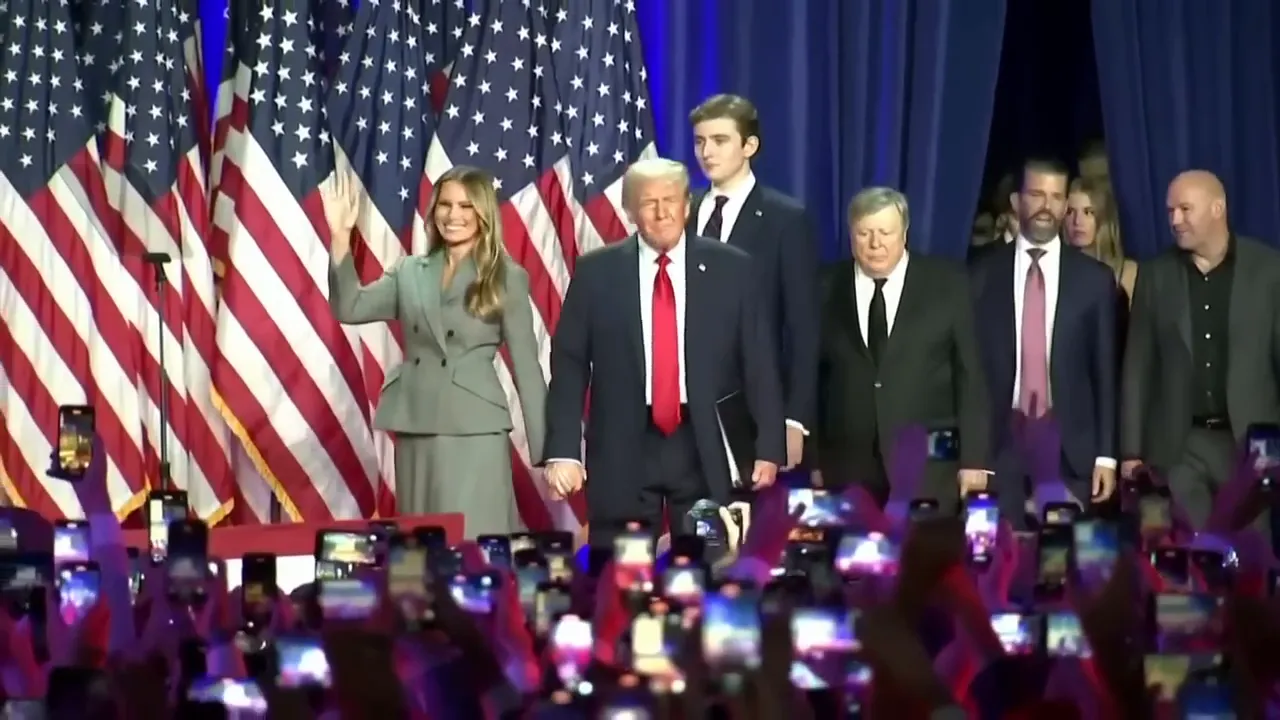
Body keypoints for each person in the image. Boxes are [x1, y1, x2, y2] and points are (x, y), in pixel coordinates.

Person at [543, 158, 784, 548]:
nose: (661, 212)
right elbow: (569, 365)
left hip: (705, 442)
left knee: (709, 569)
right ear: (631, 211)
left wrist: (769, 446)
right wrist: (563, 451)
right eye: (649, 202)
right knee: (621, 575)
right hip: (624, 443)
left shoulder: (733, 270)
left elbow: (759, 362)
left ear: (687, 204)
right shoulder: (596, 273)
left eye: (670, 200)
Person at [325, 165, 546, 535]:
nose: (453, 215)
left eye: (465, 206)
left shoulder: (506, 276)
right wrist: (340, 239)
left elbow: (528, 369)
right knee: (423, 546)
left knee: (474, 540)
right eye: (445, 204)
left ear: (483, 213)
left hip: (474, 429)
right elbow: (350, 308)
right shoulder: (410, 271)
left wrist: (549, 454)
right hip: (416, 421)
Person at [811, 186, 990, 512]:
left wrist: (974, 460)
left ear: (904, 233)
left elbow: (971, 377)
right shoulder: (823, 286)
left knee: (924, 561)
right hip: (848, 472)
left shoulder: (948, 283)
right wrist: (814, 459)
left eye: (885, 232)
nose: (875, 243)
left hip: (930, 471)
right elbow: (810, 378)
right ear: (851, 234)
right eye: (864, 233)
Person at [1121, 169, 1280, 526]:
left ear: (1217, 209)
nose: (1175, 220)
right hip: (1179, 447)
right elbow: (1138, 367)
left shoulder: (1269, 271)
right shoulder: (1156, 275)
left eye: (1185, 209)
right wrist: (1131, 453)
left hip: (1248, 447)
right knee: (1190, 558)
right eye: (1170, 211)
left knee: (1250, 563)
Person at [970, 158, 1119, 525]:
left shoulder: (1094, 281)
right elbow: (966, 371)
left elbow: (1105, 373)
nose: (1046, 206)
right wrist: (970, 456)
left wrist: (1106, 456)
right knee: (1000, 566)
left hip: (1071, 452)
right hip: (999, 448)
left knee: (1062, 568)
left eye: (1056, 197)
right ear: (1016, 202)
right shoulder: (979, 274)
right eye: (1036, 194)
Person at [686, 94, 820, 472]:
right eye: (700, 142)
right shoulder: (683, 212)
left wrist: (793, 420)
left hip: (754, 413)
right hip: (683, 409)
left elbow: (803, 329)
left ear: (749, 146)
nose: (706, 152)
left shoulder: (785, 220)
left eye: (720, 140)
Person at [1065, 177, 1137, 303]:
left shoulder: (1127, 272)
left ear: (1103, 217)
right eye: (1070, 212)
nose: (1077, 221)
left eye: (1088, 212)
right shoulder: (1057, 271)